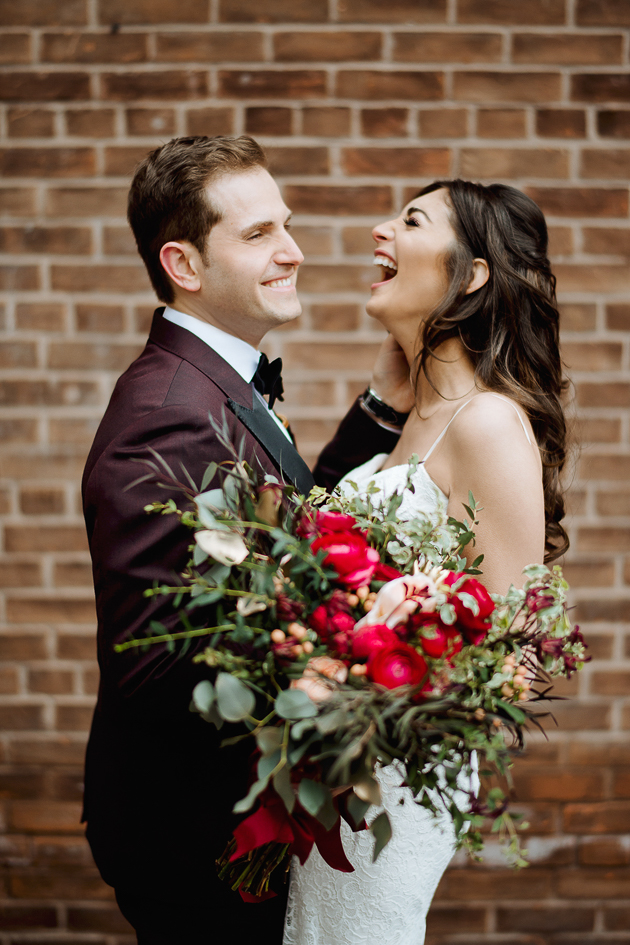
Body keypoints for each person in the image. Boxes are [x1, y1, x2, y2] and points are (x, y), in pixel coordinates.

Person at [80, 135, 408, 945]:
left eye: (285, 227)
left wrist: (378, 410)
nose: (292, 252)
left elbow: (287, 522)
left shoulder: (215, 383)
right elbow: (153, 661)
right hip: (197, 838)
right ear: (184, 265)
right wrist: (338, 665)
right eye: (258, 234)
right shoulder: (165, 410)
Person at [285, 179, 569, 945]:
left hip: (396, 781)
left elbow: (523, 653)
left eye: (410, 220)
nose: (382, 230)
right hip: (338, 770)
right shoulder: (415, 419)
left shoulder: (487, 422)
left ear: (471, 274)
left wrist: (372, 674)